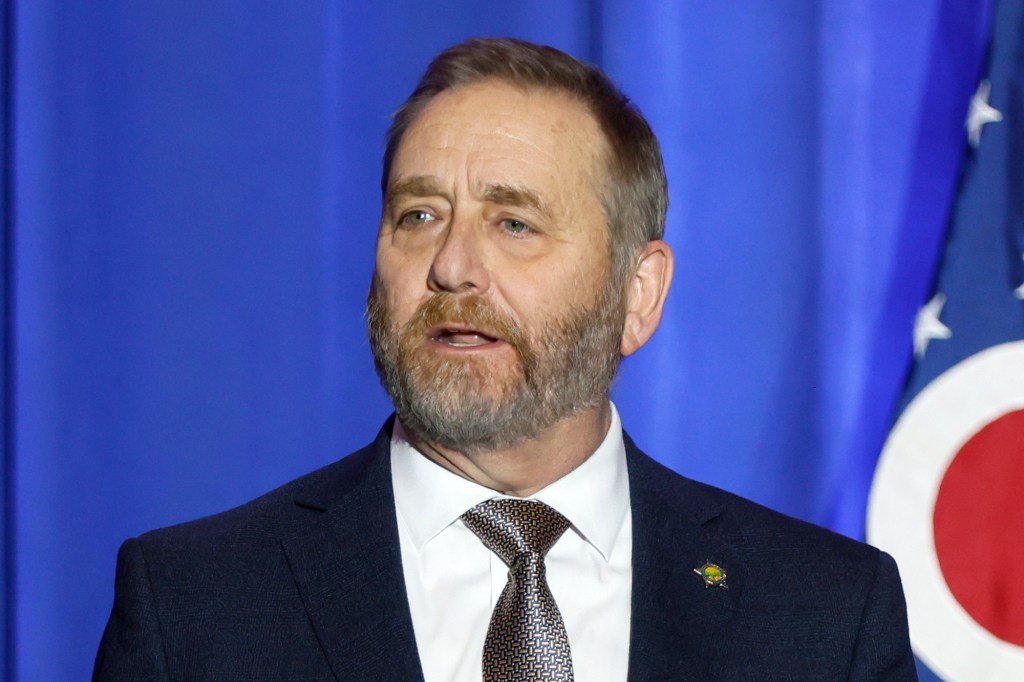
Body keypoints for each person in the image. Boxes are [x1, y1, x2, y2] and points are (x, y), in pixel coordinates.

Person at [94, 37, 917, 681]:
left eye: (513, 223)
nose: (452, 266)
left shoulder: (823, 614)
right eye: (418, 215)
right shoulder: (195, 609)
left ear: (639, 293)